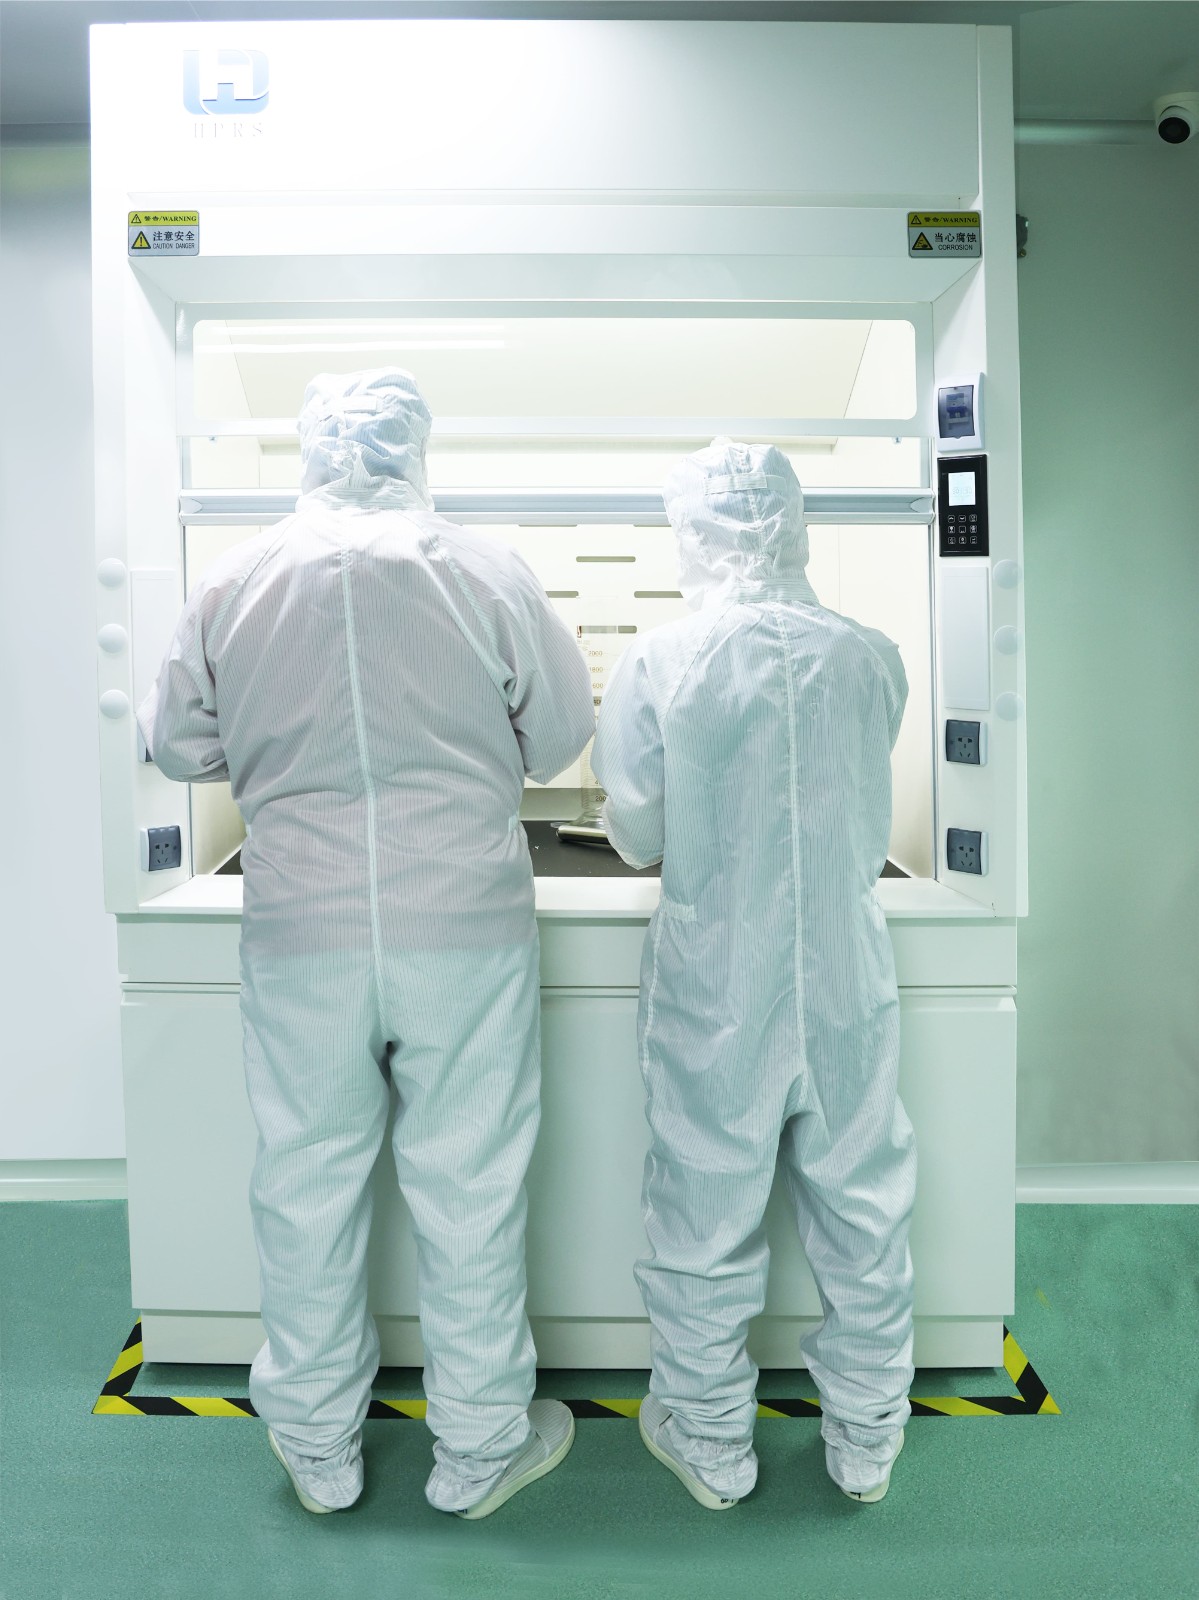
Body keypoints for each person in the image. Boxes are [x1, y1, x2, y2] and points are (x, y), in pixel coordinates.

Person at [139, 369, 595, 1518]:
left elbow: (177, 746)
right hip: (464, 928)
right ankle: (480, 1447)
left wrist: (269, 754)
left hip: (302, 926)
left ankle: (318, 1451)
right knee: (470, 1184)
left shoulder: (235, 581)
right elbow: (558, 738)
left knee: (305, 1181)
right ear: (415, 448)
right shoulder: (484, 572)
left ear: (308, 448)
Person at [591, 438, 916, 1510]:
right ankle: (866, 1437)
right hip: (845, 974)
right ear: (797, 525)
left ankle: (711, 1443)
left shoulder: (663, 659)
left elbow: (637, 833)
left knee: (702, 1213)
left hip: (717, 980)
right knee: (863, 1205)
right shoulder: (869, 655)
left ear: (690, 534)